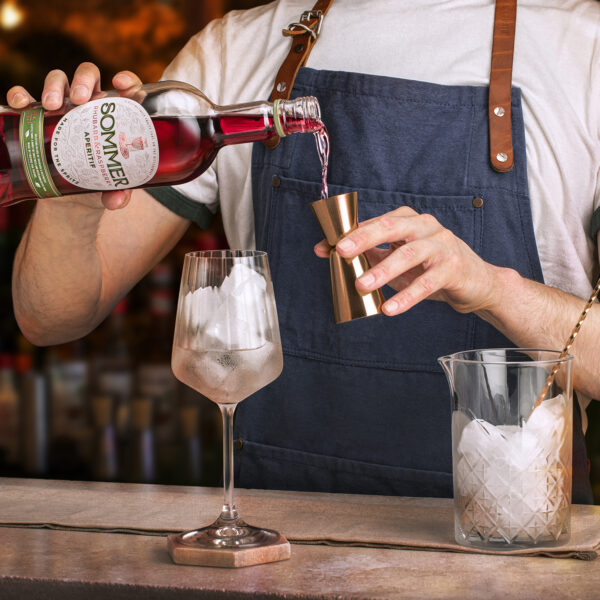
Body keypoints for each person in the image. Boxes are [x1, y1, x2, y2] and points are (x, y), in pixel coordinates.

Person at [6, 0, 600, 503]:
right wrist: (68, 189)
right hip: (276, 541)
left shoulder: (582, 49)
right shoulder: (233, 53)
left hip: (510, 542)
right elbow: (50, 317)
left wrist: (495, 290)